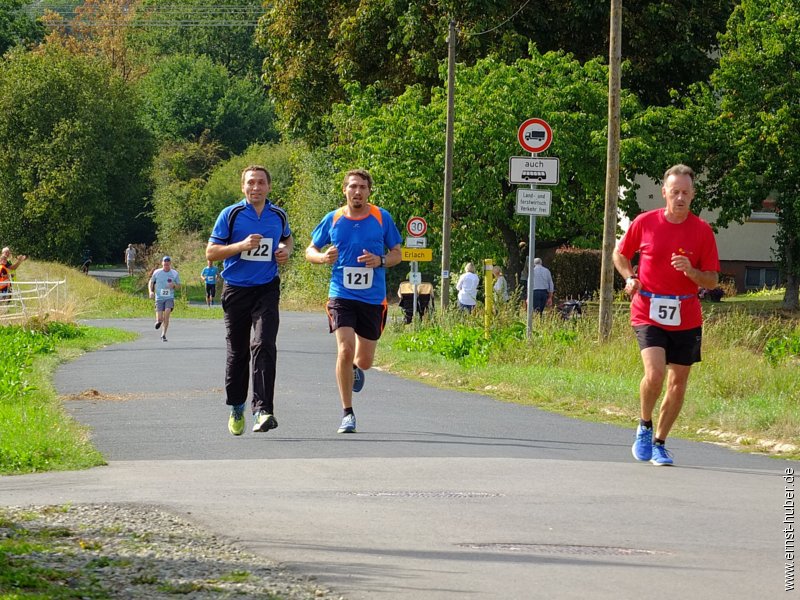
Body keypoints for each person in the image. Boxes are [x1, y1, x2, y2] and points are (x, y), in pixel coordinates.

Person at [613, 164, 720, 466]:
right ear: (664, 193)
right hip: (647, 308)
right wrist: (629, 277)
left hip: (686, 313)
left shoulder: (701, 231)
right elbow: (620, 254)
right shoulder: (645, 222)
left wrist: (692, 272)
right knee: (656, 373)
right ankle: (644, 425)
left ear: (693, 195)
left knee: (678, 383)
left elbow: (712, 280)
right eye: (675, 192)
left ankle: (660, 441)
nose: (680, 198)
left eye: (686, 193)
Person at [305, 168, 402, 434]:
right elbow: (309, 250)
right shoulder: (333, 218)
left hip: (373, 298)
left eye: (362, 187)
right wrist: (323, 257)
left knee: (365, 360)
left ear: (369, 191)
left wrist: (380, 260)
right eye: (352, 186)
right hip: (341, 294)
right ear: (344, 190)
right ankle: (347, 413)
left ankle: (358, 369)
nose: (357, 191)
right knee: (345, 350)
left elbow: (397, 253)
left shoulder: (381, 217)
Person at [207, 165, 293, 437]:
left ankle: (263, 410)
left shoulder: (277, 214)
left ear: (269, 186)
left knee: (264, 343)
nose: (255, 188)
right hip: (236, 289)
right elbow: (211, 252)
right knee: (238, 352)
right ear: (243, 187)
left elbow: (288, 240)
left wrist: (284, 252)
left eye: (260, 183)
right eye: (250, 183)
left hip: (267, 288)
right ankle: (236, 406)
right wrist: (240, 246)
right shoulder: (231, 214)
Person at [148, 256, 181, 342]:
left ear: (170, 264)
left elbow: (179, 286)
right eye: (164, 264)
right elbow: (151, 282)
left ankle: (163, 334)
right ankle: (159, 322)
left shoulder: (174, 273)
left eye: (167, 264)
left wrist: (174, 285)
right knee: (159, 319)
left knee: (167, 313)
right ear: (162, 263)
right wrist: (151, 292)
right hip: (159, 298)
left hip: (169, 297)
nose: (166, 265)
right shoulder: (157, 272)